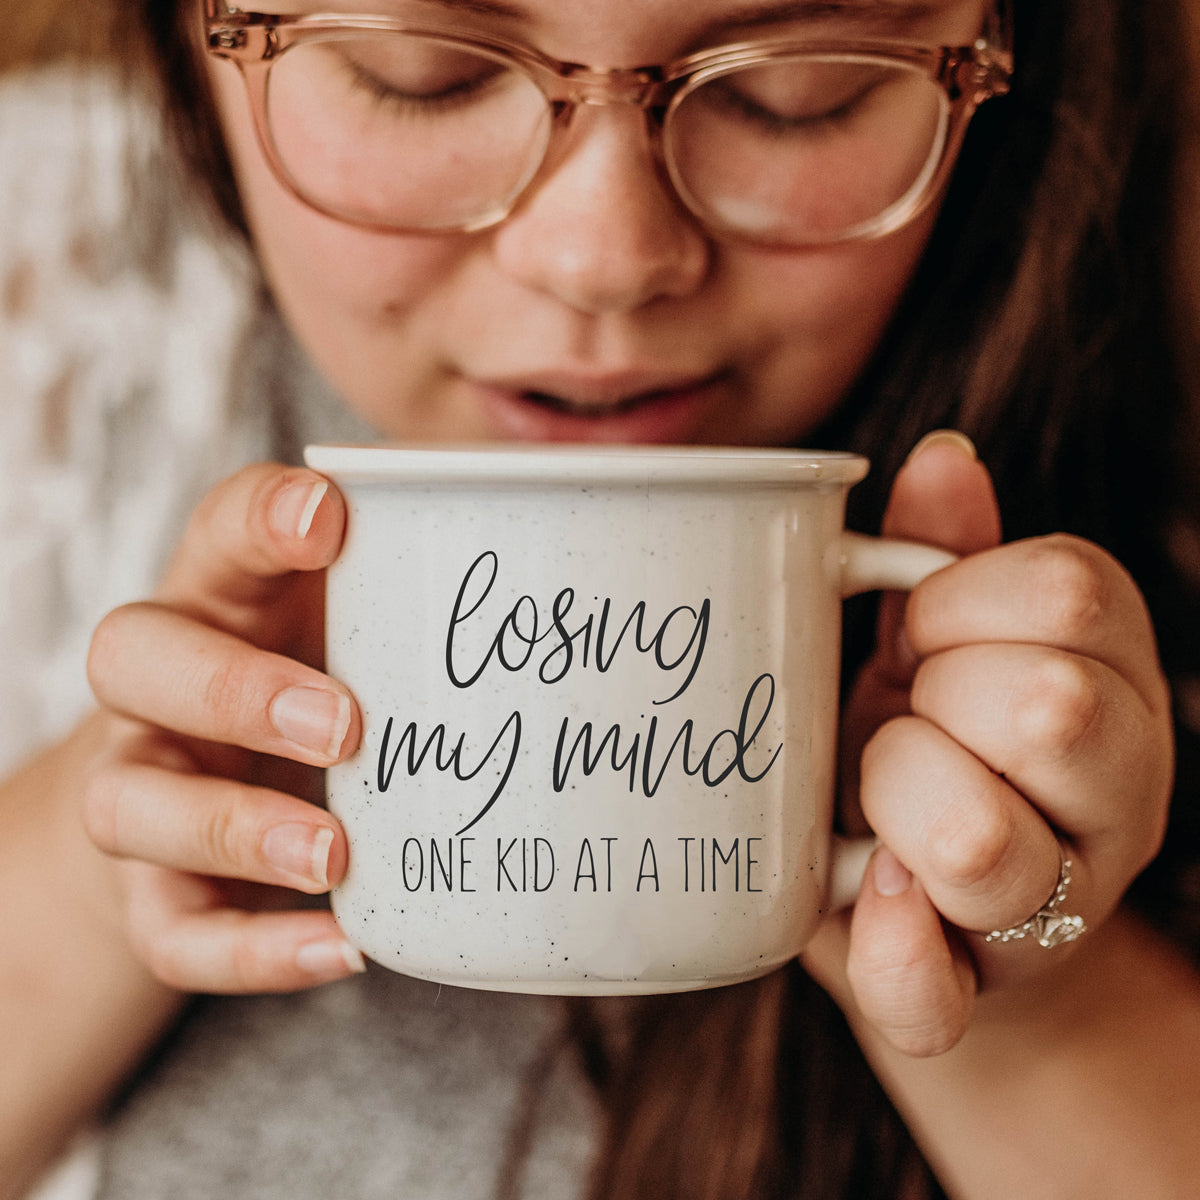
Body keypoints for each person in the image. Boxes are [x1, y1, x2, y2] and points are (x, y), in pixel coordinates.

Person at [3, 0, 1200, 1197]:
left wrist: (1024, 965)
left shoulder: (1157, 422)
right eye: (420, 75)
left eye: (796, 91)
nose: (603, 259)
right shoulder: (39, 292)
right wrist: (109, 858)